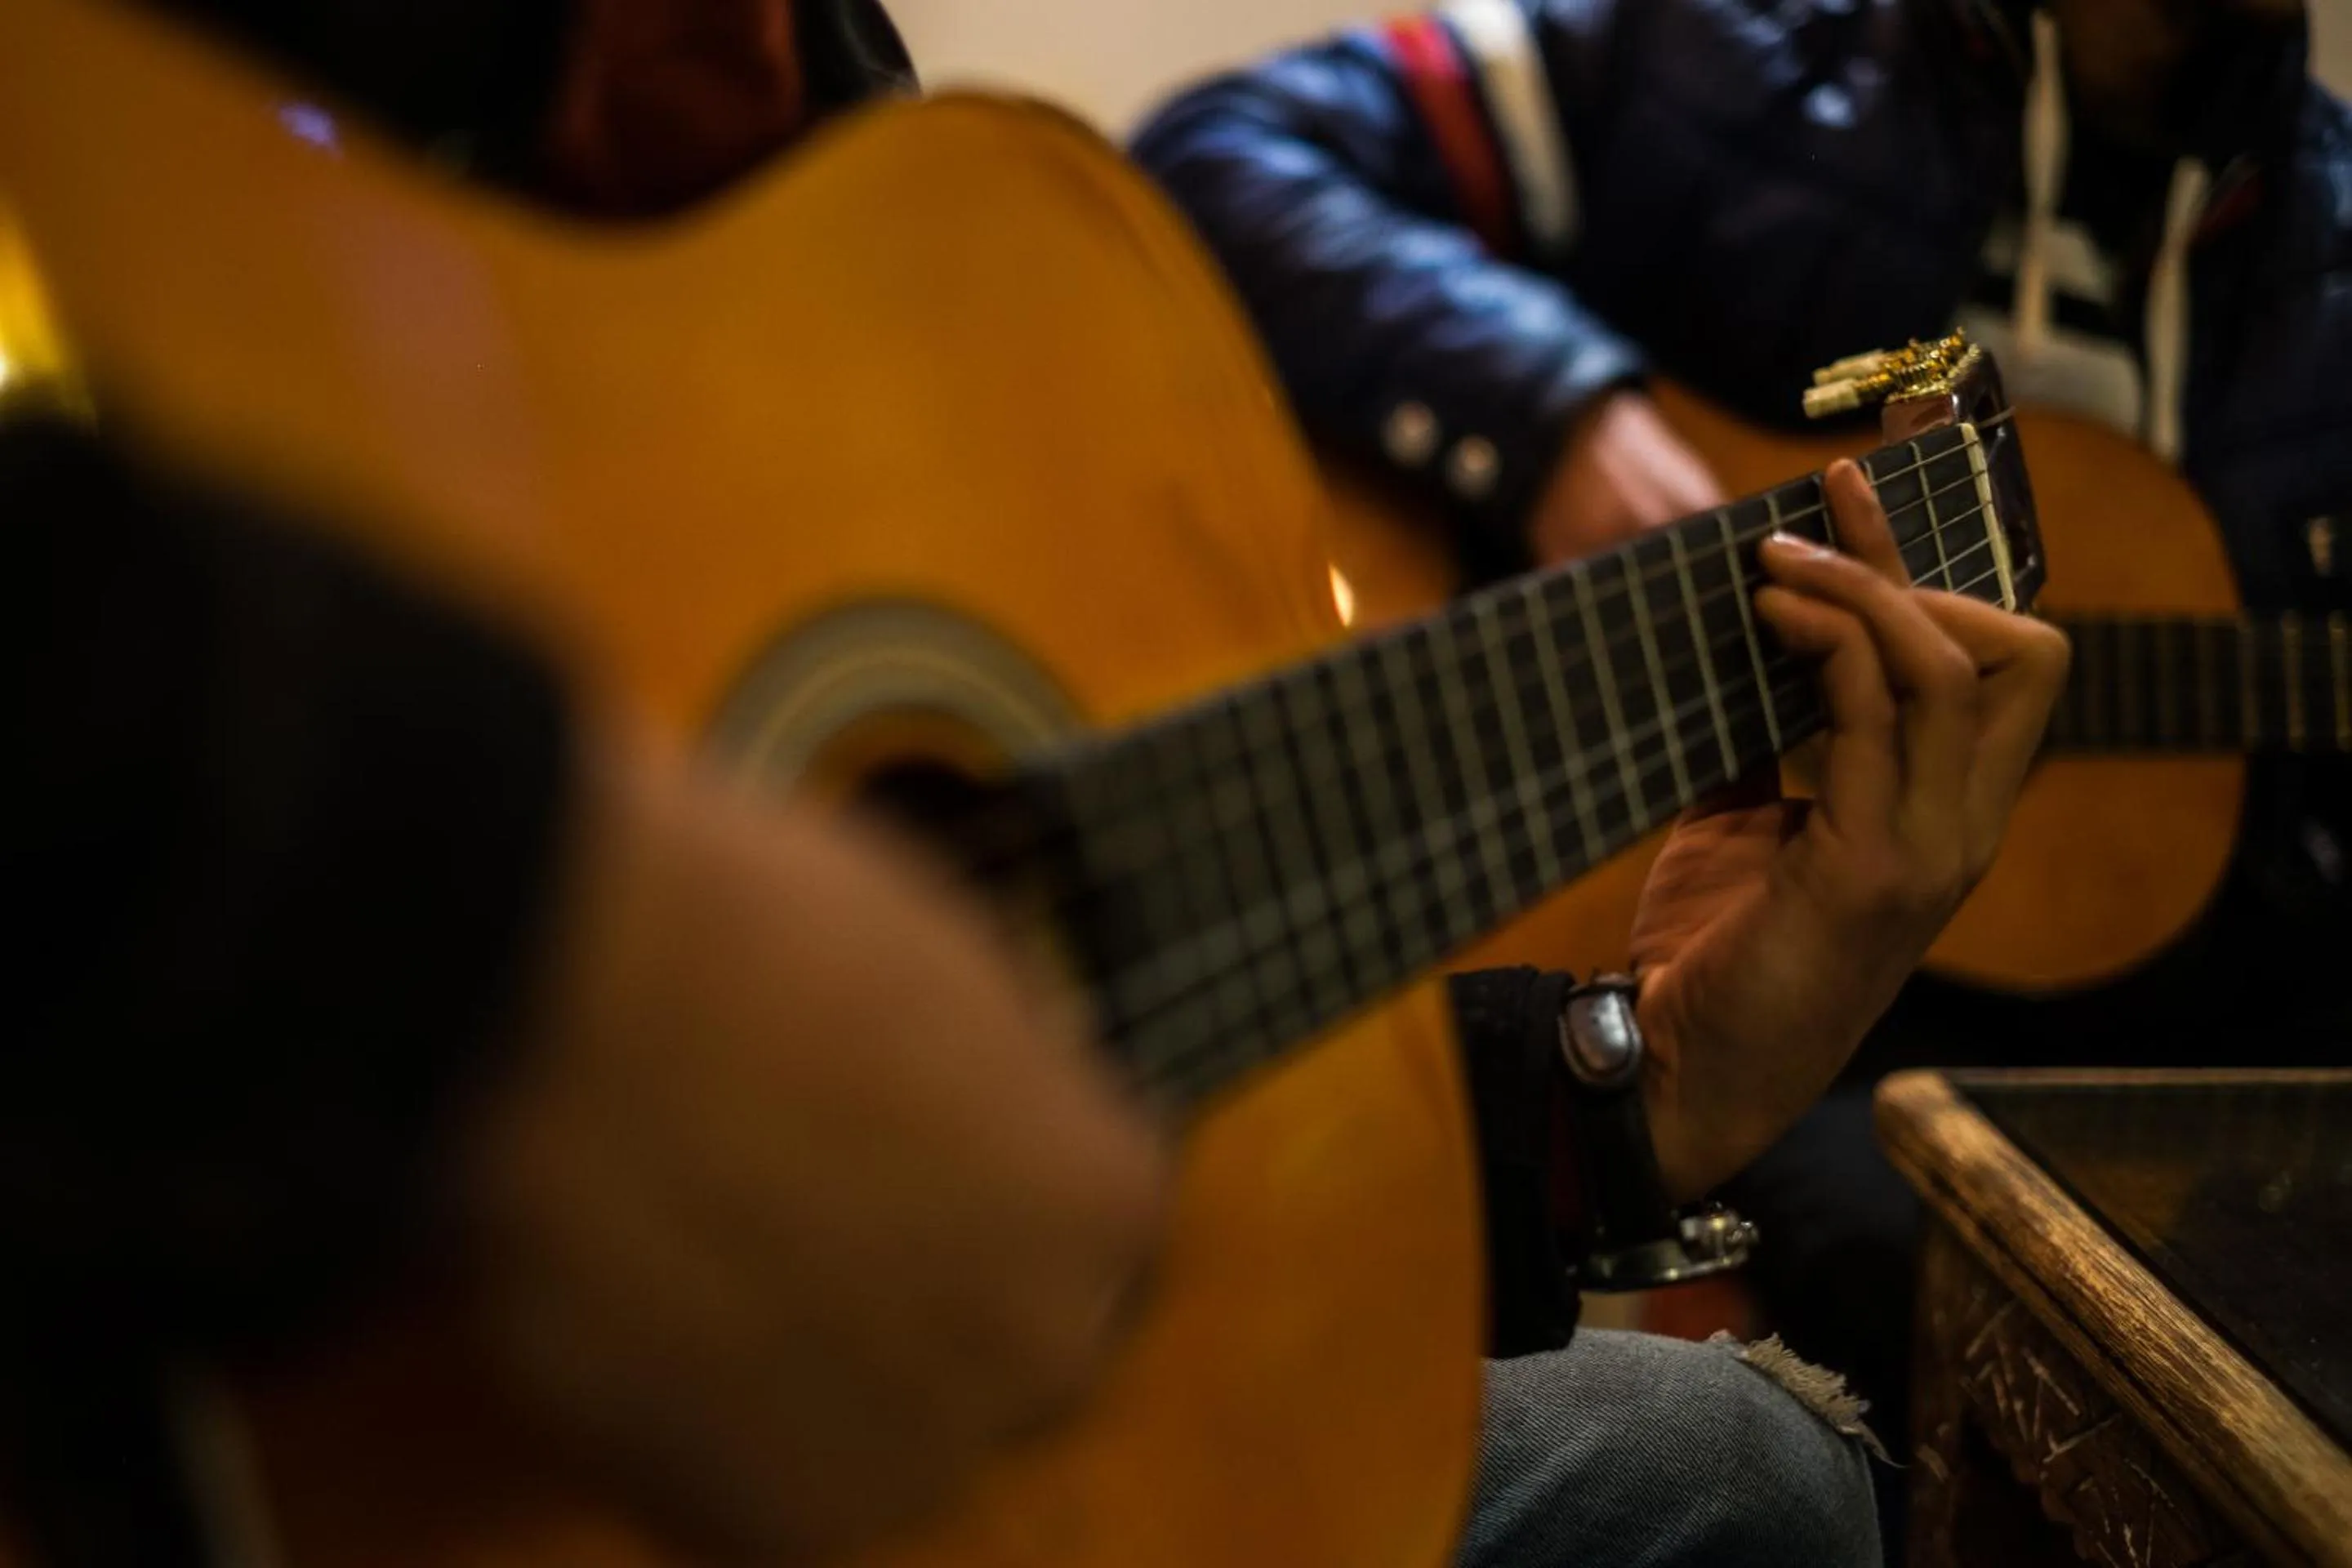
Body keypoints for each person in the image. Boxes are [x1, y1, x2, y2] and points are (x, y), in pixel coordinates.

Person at [2, 2, 2067, 1566]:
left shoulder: (814, 94)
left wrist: (1629, 1083)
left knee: (1757, 1481)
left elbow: (993, 992)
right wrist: (509, 909)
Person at [1131, 0, 2352, 1552]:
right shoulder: (1707, 53)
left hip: (2142, 1044)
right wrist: (1556, 414)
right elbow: (1215, 156)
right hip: (1740, 1022)